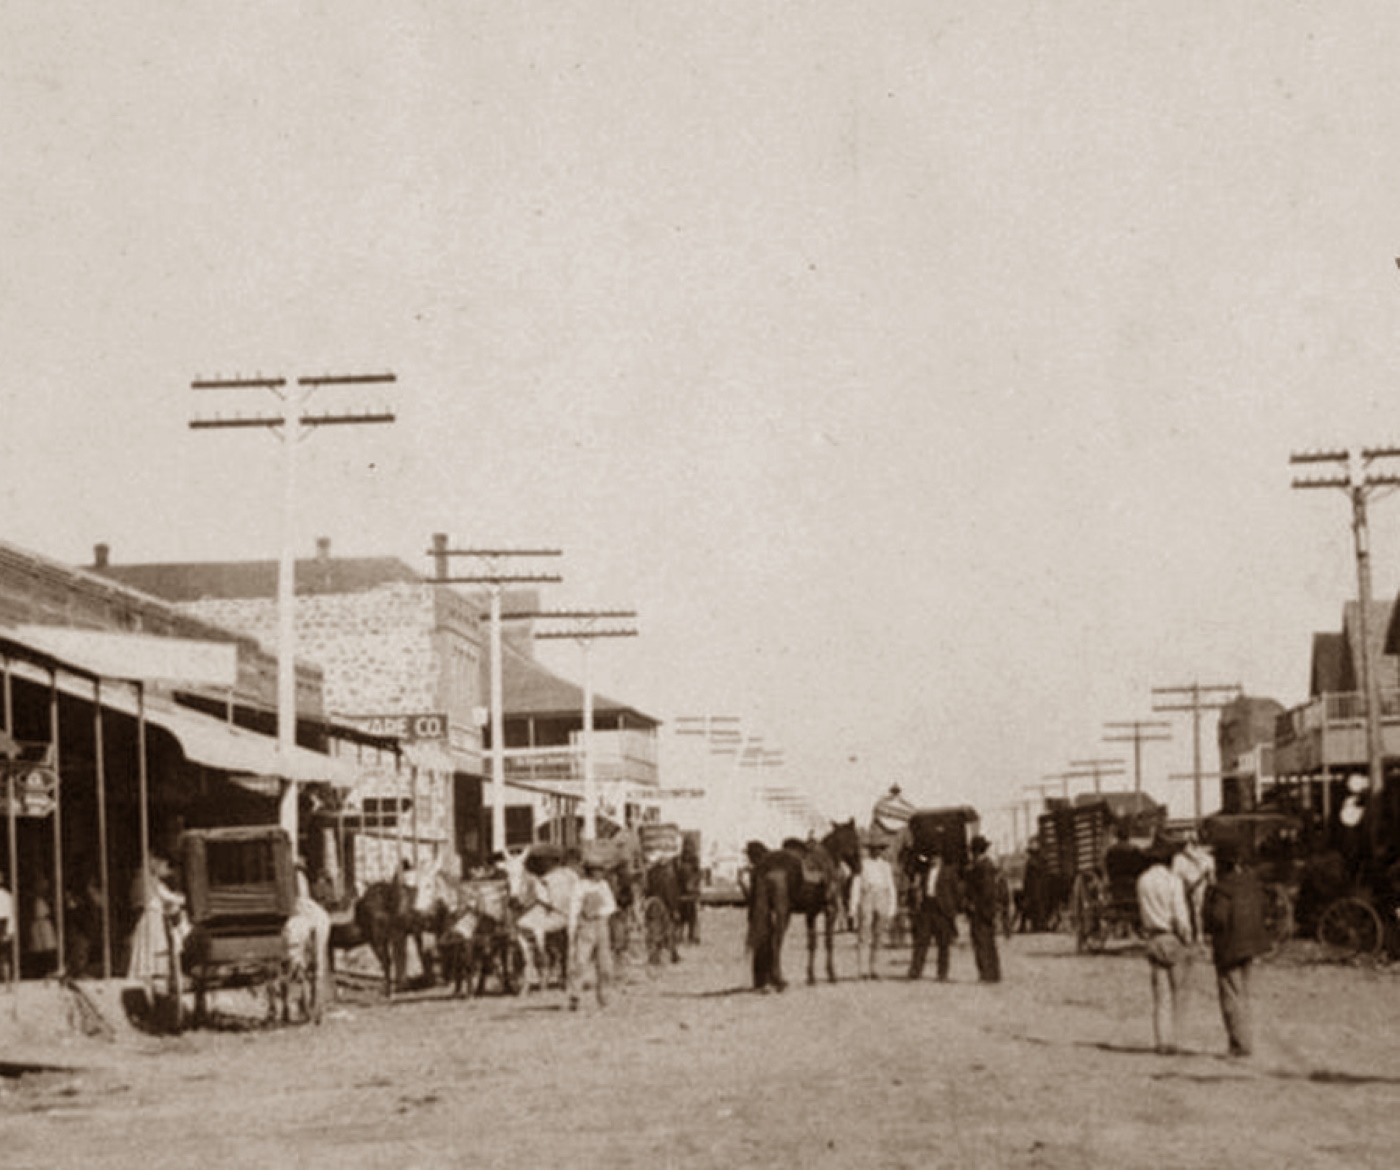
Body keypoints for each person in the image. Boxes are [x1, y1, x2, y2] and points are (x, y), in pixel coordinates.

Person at [1203, 841, 1270, 1058]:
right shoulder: (1250, 883)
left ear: (1221, 863)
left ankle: (1241, 1046)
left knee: (1230, 996)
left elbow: (1218, 919)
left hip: (1228, 947)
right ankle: (1240, 1041)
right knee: (1243, 994)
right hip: (1251, 945)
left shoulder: (1221, 888)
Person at [1136, 838, 1194, 1054]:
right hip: (1172, 937)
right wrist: (1187, 936)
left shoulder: (1142, 880)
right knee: (1180, 991)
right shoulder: (1173, 881)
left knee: (1161, 994)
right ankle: (1176, 1039)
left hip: (1152, 938)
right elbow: (1180, 914)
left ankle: (1162, 1040)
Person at [126, 856, 187, 986]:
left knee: (149, 944)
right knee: (154, 944)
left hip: (150, 916)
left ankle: (147, 971)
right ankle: (151, 972)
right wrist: (181, 898)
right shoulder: (151, 882)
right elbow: (168, 897)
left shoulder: (144, 881)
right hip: (151, 916)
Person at [567, 854, 617, 1010]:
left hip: (601, 925)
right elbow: (574, 908)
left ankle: (604, 997)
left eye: (600, 871)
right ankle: (575, 995)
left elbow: (611, 906)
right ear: (590, 871)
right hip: (585, 926)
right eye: (596, 871)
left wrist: (599, 911)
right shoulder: (580, 886)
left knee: (605, 965)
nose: (599, 874)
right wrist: (572, 927)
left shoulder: (604, 886)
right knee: (580, 962)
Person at [907, 846, 962, 982]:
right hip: (927, 908)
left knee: (943, 943)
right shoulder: (925, 873)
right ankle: (915, 971)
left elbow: (956, 892)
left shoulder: (949, 873)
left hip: (942, 910)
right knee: (921, 941)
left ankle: (942, 973)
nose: (933, 860)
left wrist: (953, 910)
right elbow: (919, 888)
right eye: (931, 857)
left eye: (936, 857)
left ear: (941, 859)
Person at [850, 837, 897, 979]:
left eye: (878, 849)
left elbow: (891, 886)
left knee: (879, 934)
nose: (876, 852)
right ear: (869, 850)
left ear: (881, 851)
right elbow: (856, 885)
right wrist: (853, 906)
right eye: (873, 849)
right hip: (867, 896)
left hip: (882, 896)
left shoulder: (886, 866)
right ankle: (862, 969)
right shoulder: (863, 864)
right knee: (864, 933)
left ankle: (875, 968)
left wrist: (892, 907)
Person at [963, 836, 1002, 983]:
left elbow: (986, 891)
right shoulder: (986, 865)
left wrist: (974, 904)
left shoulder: (983, 867)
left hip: (981, 911)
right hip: (986, 910)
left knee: (982, 942)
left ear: (975, 851)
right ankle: (992, 973)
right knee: (987, 942)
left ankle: (987, 973)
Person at [27, 875, 58, 979]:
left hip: (44, 924)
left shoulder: (46, 899)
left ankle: (48, 971)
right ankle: (40, 972)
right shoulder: (34, 899)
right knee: (39, 948)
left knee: (48, 948)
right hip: (39, 924)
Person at [0, 872, 13, 983]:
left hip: (2, 926)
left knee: (4, 955)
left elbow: (8, 915)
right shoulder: (7, 895)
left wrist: (7, 932)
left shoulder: (5, 896)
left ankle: (6, 979)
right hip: (5, 925)